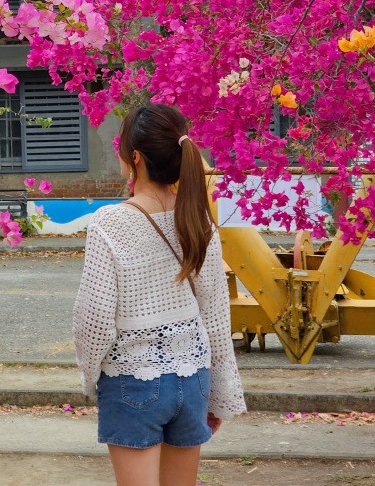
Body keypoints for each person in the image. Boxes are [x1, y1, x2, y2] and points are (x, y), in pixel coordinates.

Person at [73, 103, 246, 486]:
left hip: (132, 380)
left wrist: (89, 377)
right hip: (194, 380)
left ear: (135, 157)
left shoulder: (110, 223)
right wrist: (219, 393)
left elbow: (96, 320)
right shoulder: (199, 222)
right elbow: (216, 318)